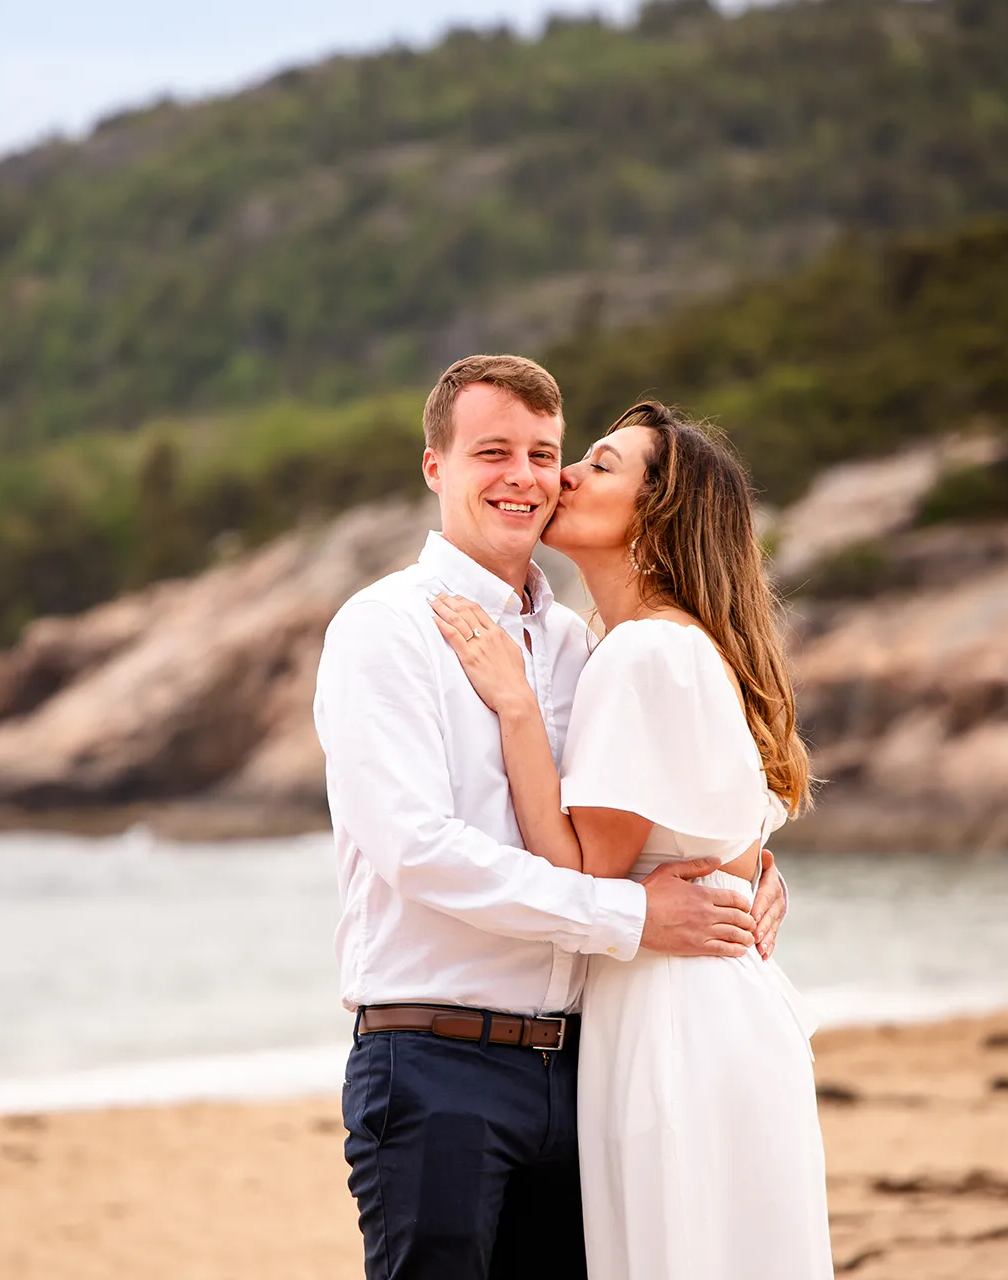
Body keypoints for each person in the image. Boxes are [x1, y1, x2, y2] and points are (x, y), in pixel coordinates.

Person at [313, 356, 790, 1280]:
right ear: (434, 467)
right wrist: (636, 917)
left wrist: (749, 875)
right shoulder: (385, 629)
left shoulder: (583, 644)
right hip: (436, 1064)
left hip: (585, 1072)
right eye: (492, 452)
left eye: (544, 452)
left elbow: (654, 807)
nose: (525, 476)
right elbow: (421, 852)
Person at [426, 399, 833, 1279]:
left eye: (600, 466)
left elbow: (583, 873)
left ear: (659, 512)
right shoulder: (678, 645)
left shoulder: (641, 653)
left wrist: (519, 708)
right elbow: (728, 845)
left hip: (674, 1025)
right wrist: (757, 876)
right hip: (720, 1008)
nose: (566, 474)